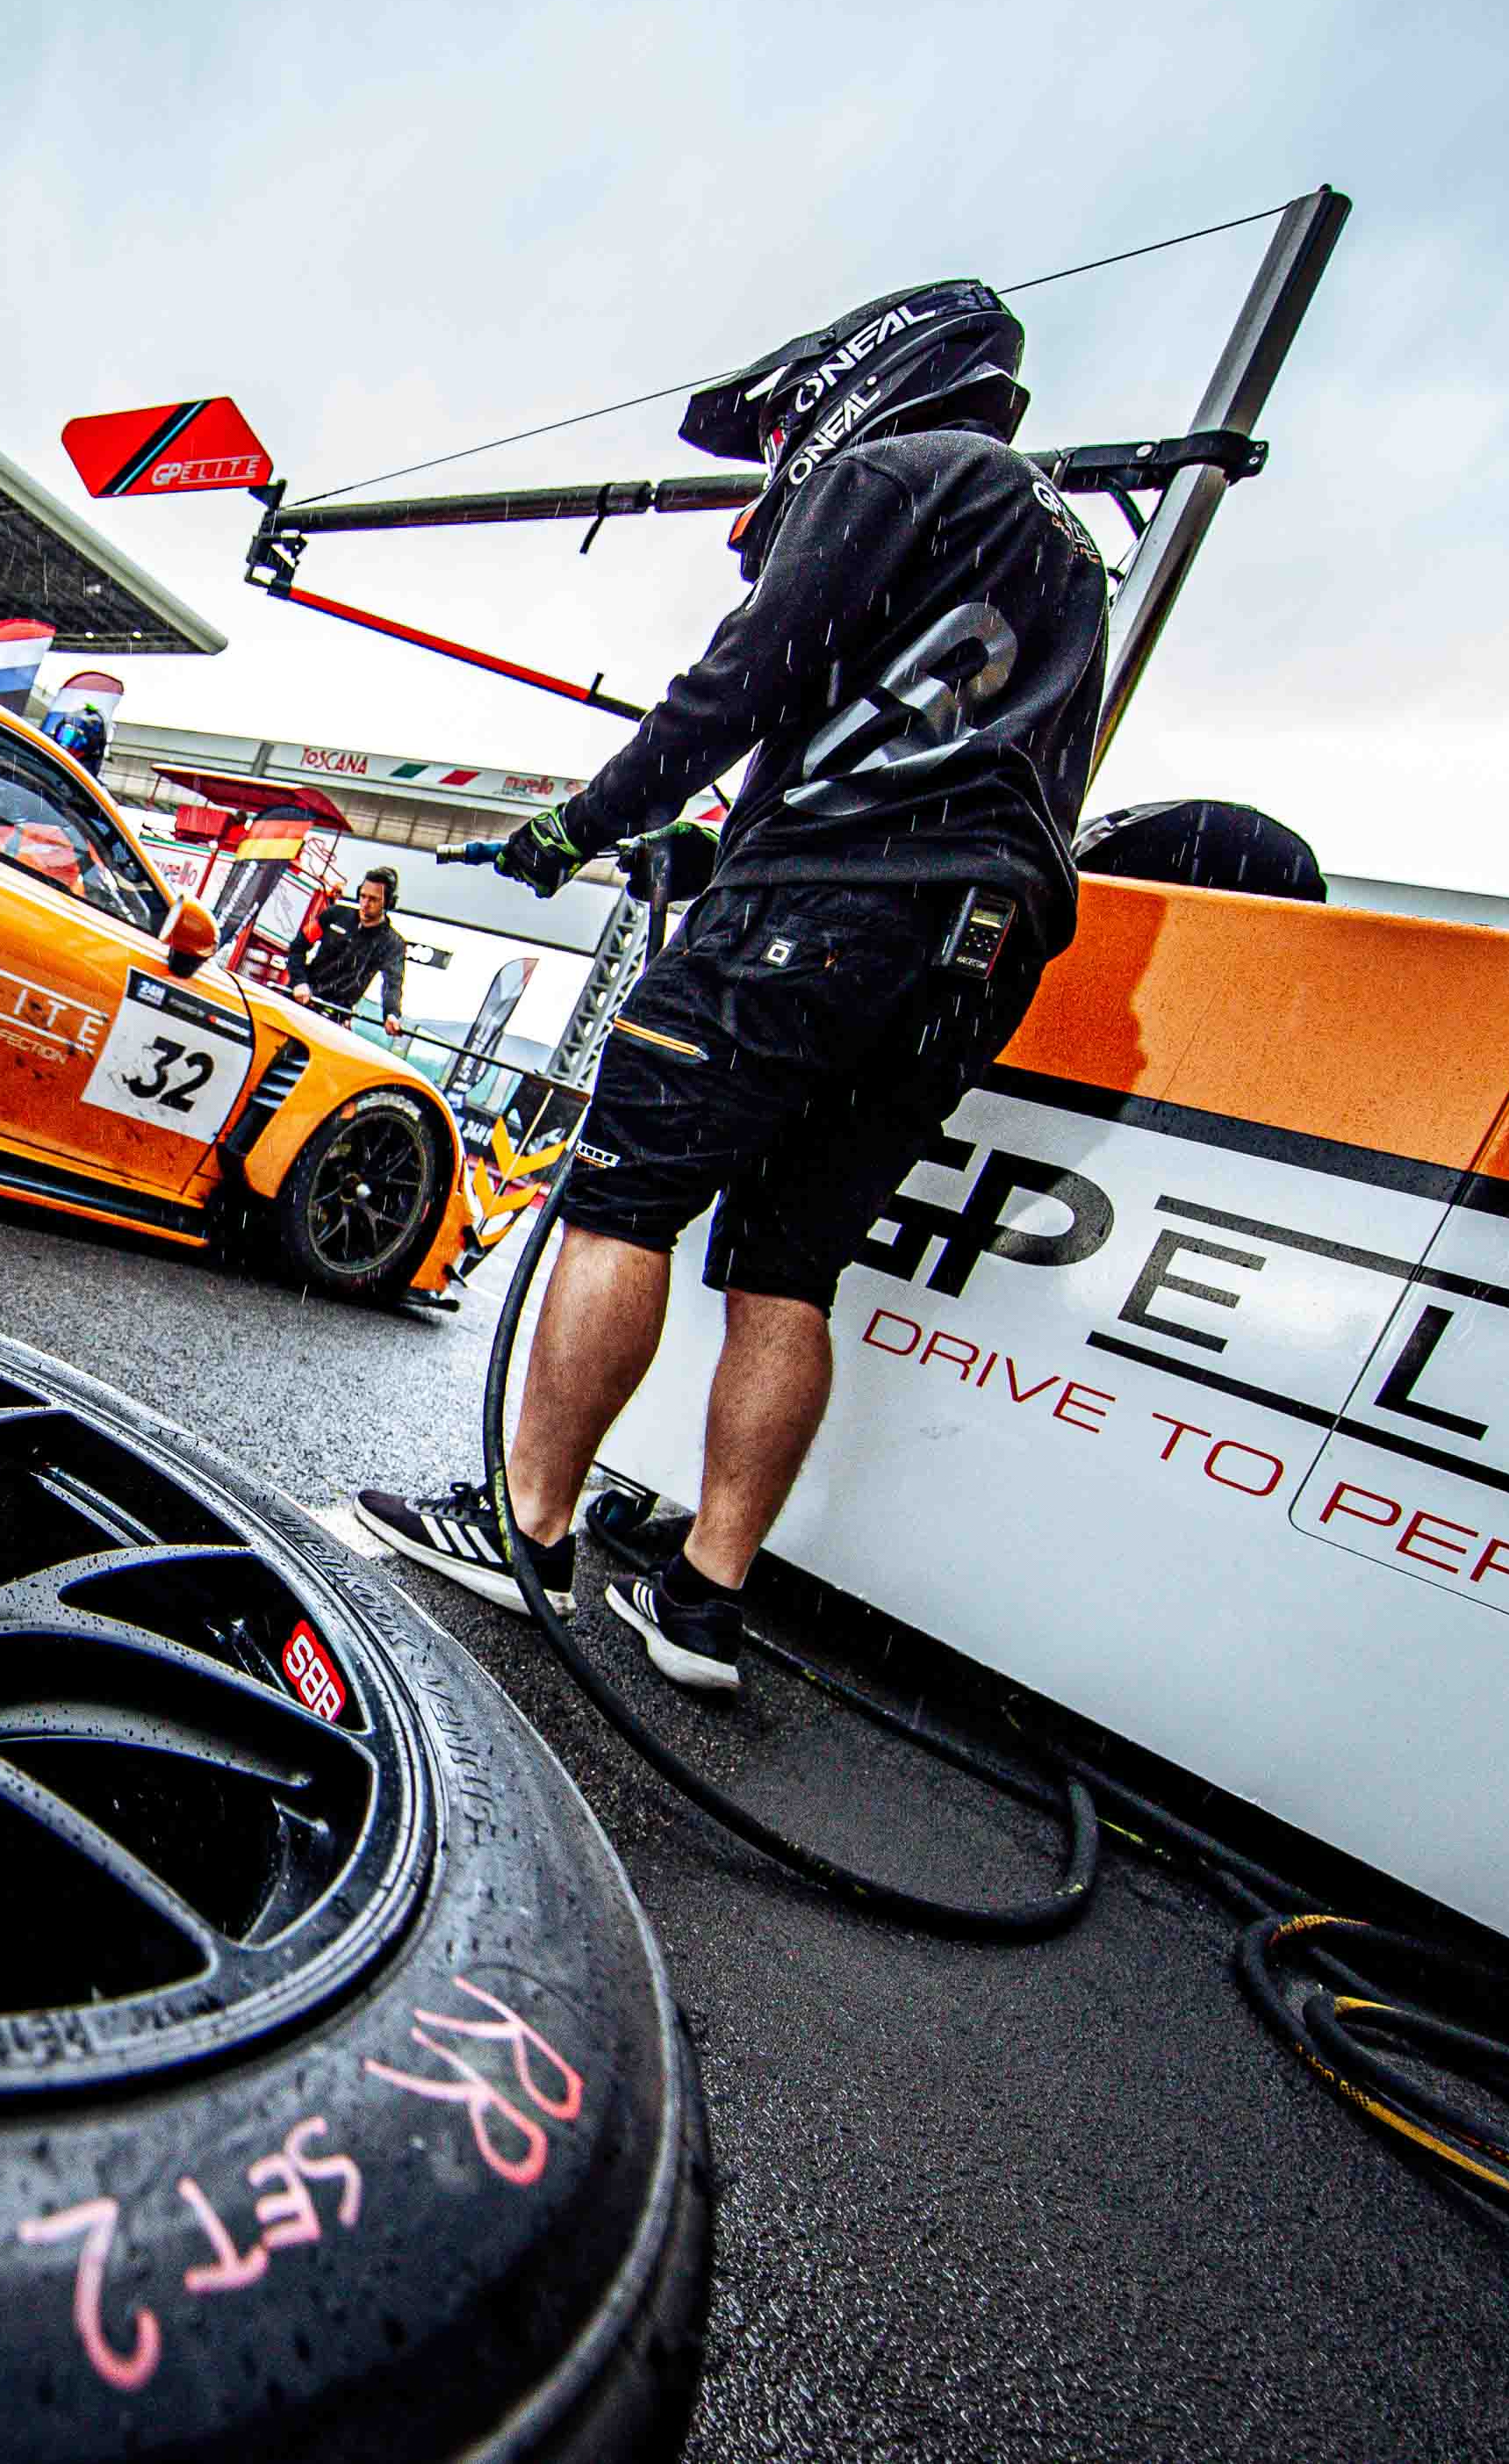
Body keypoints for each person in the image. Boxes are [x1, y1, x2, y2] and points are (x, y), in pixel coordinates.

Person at [356, 277, 1110, 1697]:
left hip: (831, 901)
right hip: (980, 942)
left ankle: (526, 1528)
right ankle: (706, 1597)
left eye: (776, 430)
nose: (772, 460)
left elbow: (741, 682)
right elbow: (935, 740)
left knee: (621, 1199)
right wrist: (725, 845)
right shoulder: (1061, 547)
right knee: (789, 1264)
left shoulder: (898, 466)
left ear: (854, 381)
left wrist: (579, 824)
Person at [289, 868, 409, 1034]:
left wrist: (391, 1014)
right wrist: (299, 982)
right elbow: (297, 947)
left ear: (388, 903)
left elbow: (392, 984)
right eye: (363, 896)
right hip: (298, 999)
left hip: (335, 1018)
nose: (365, 904)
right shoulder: (334, 915)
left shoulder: (393, 944)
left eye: (373, 899)